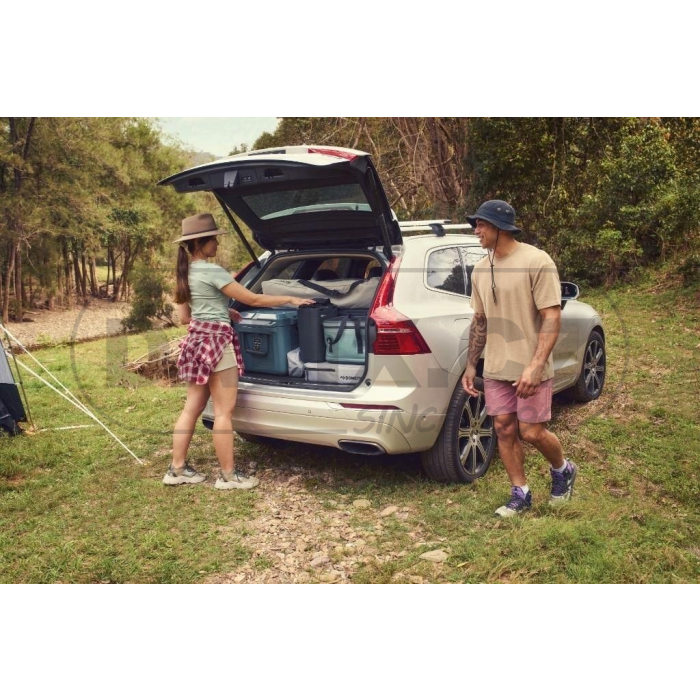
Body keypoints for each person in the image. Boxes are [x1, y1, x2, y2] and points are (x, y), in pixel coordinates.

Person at [163, 213, 313, 490]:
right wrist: (291, 298)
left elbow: (185, 318)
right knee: (224, 412)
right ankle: (229, 476)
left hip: (196, 342)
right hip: (218, 345)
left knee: (191, 409)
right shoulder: (212, 271)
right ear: (200, 242)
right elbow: (252, 299)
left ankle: (177, 469)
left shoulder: (185, 273)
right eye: (214, 239)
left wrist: (223, 310)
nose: (217, 244)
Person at [461, 200, 578, 517]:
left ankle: (563, 469)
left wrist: (536, 365)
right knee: (503, 429)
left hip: (531, 366)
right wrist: (472, 364)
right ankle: (520, 493)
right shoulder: (481, 269)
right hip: (496, 366)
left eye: (481, 224)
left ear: (499, 228)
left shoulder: (536, 261)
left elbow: (552, 316)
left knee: (531, 431)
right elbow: (480, 321)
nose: (476, 231)